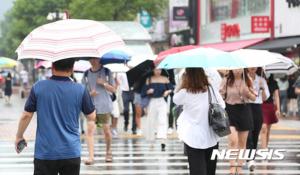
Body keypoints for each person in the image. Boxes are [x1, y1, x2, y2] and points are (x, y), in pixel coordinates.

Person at [15, 58, 96, 175]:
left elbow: (26, 115)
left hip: (45, 152)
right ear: (72, 69)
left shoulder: (38, 87)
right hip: (71, 151)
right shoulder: (80, 89)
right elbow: (92, 116)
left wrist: (19, 136)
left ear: (52, 66)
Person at [174, 68, 224, 175]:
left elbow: (175, 100)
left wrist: (182, 83)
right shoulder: (211, 89)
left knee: (197, 170)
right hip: (211, 134)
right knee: (210, 170)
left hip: (193, 137)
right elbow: (222, 105)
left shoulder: (184, 92)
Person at [220, 69, 257, 174]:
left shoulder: (248, 79)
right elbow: (220, 96)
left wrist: (248, 93)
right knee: (232, 140)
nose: (237, 70)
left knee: (242, 143)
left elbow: (254, 98)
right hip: (230, 111)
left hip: (244, 111)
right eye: (235, 67)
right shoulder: (226, 80)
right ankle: (232, 167)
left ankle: (239, 167)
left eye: (240, 67)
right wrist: (222, 96)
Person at [83, 57, 116, 164]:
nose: (93, 60)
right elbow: (82, 91)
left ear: (99, 59)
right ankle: (91, 157)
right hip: (91, 106)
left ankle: (108, 152)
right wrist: (89, 94)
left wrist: (104, 83)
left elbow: (114, 89)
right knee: (90, 131)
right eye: (91, 59)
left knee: (106, 131)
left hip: (104, 106)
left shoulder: (106, 72)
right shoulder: (86, 74)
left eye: (95, 58)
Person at [141, 68, 173, 151]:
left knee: (162, 120)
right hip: (152, 101)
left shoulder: (165, 78)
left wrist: (168, 91)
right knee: (151, 121)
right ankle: (151, 140)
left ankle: (163, 140)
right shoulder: (149, 79)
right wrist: (148, 91)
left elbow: (171, 88)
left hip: (162, 101)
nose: (158, 71)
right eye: (156, 70)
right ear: (153, 70)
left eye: (159, 70)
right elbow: (143, 92)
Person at [245, 67, 270, 171]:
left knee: (255, 134)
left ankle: (252, 158)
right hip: (246, 107)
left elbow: (265, 98)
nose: (253, 68)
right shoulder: (244, 79)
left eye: (255, 66)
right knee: (249, 135)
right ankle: (249, 160)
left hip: (257, 108)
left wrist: (262, 88)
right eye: (251, 66)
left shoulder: (261, 80)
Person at [260, 74, 280, 149]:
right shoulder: (259, 80)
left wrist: (278, 109)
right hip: (261, 105)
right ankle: (264, 149)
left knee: (267, 130)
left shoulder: (274, 82)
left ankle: (266, 146)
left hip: (270, 106)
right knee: (263, 128)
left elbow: (276, 96)